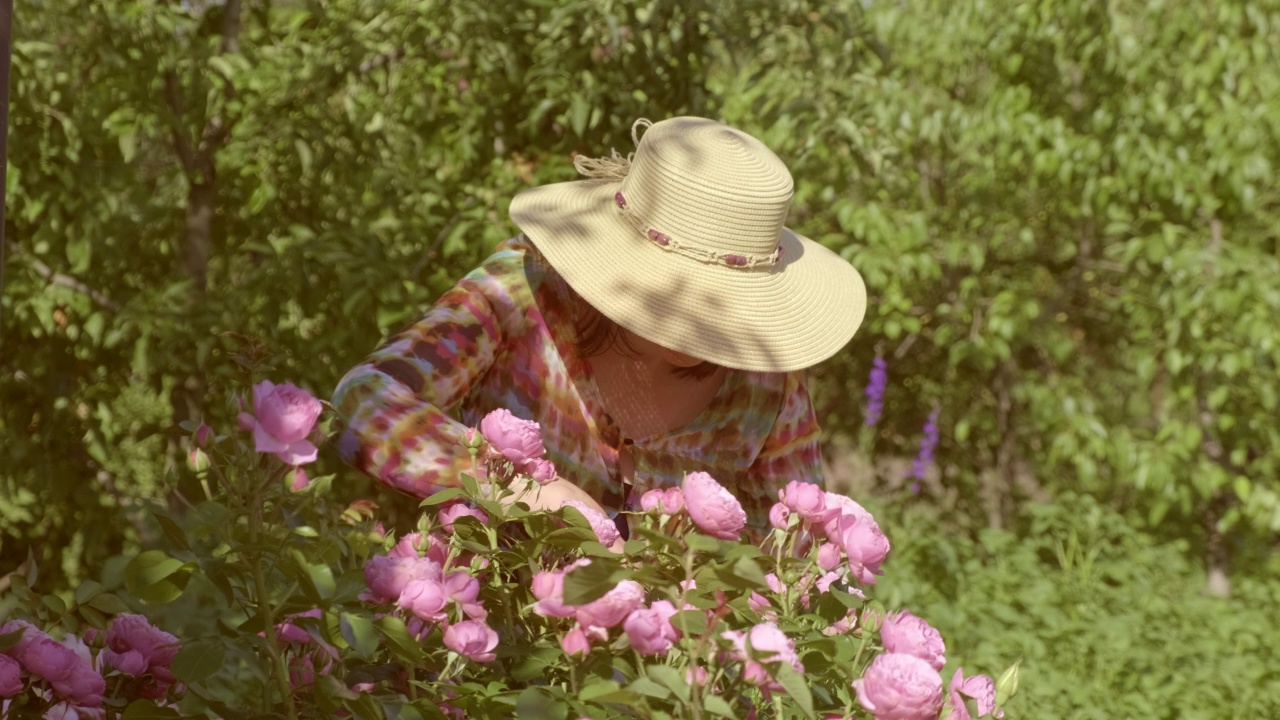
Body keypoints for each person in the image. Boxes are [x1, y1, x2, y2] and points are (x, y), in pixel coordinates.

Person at [332, 116, 867, 537]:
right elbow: (363, 401)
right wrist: (521, 491)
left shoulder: (766, 387)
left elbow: (795, 558)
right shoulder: (525, 293)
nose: (698, 329)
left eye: (723, 307)